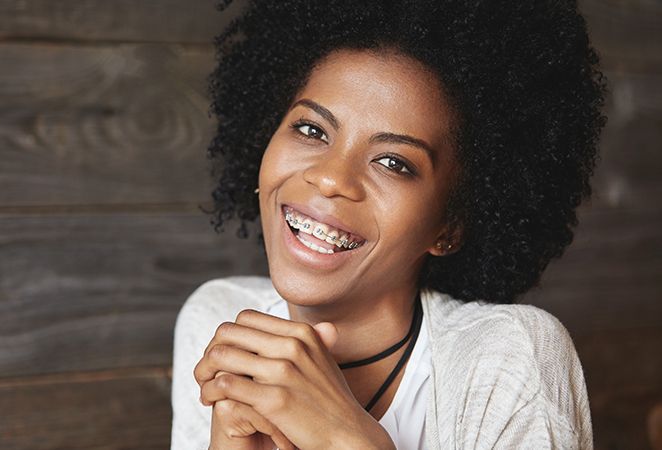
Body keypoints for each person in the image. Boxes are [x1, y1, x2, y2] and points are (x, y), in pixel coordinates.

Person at [172, 0, 606, 448]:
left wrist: (351, 440)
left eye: (393, 162)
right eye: (312, 130)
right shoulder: (217, 321)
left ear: (449, 227)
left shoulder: (511, 357)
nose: (331, 177)